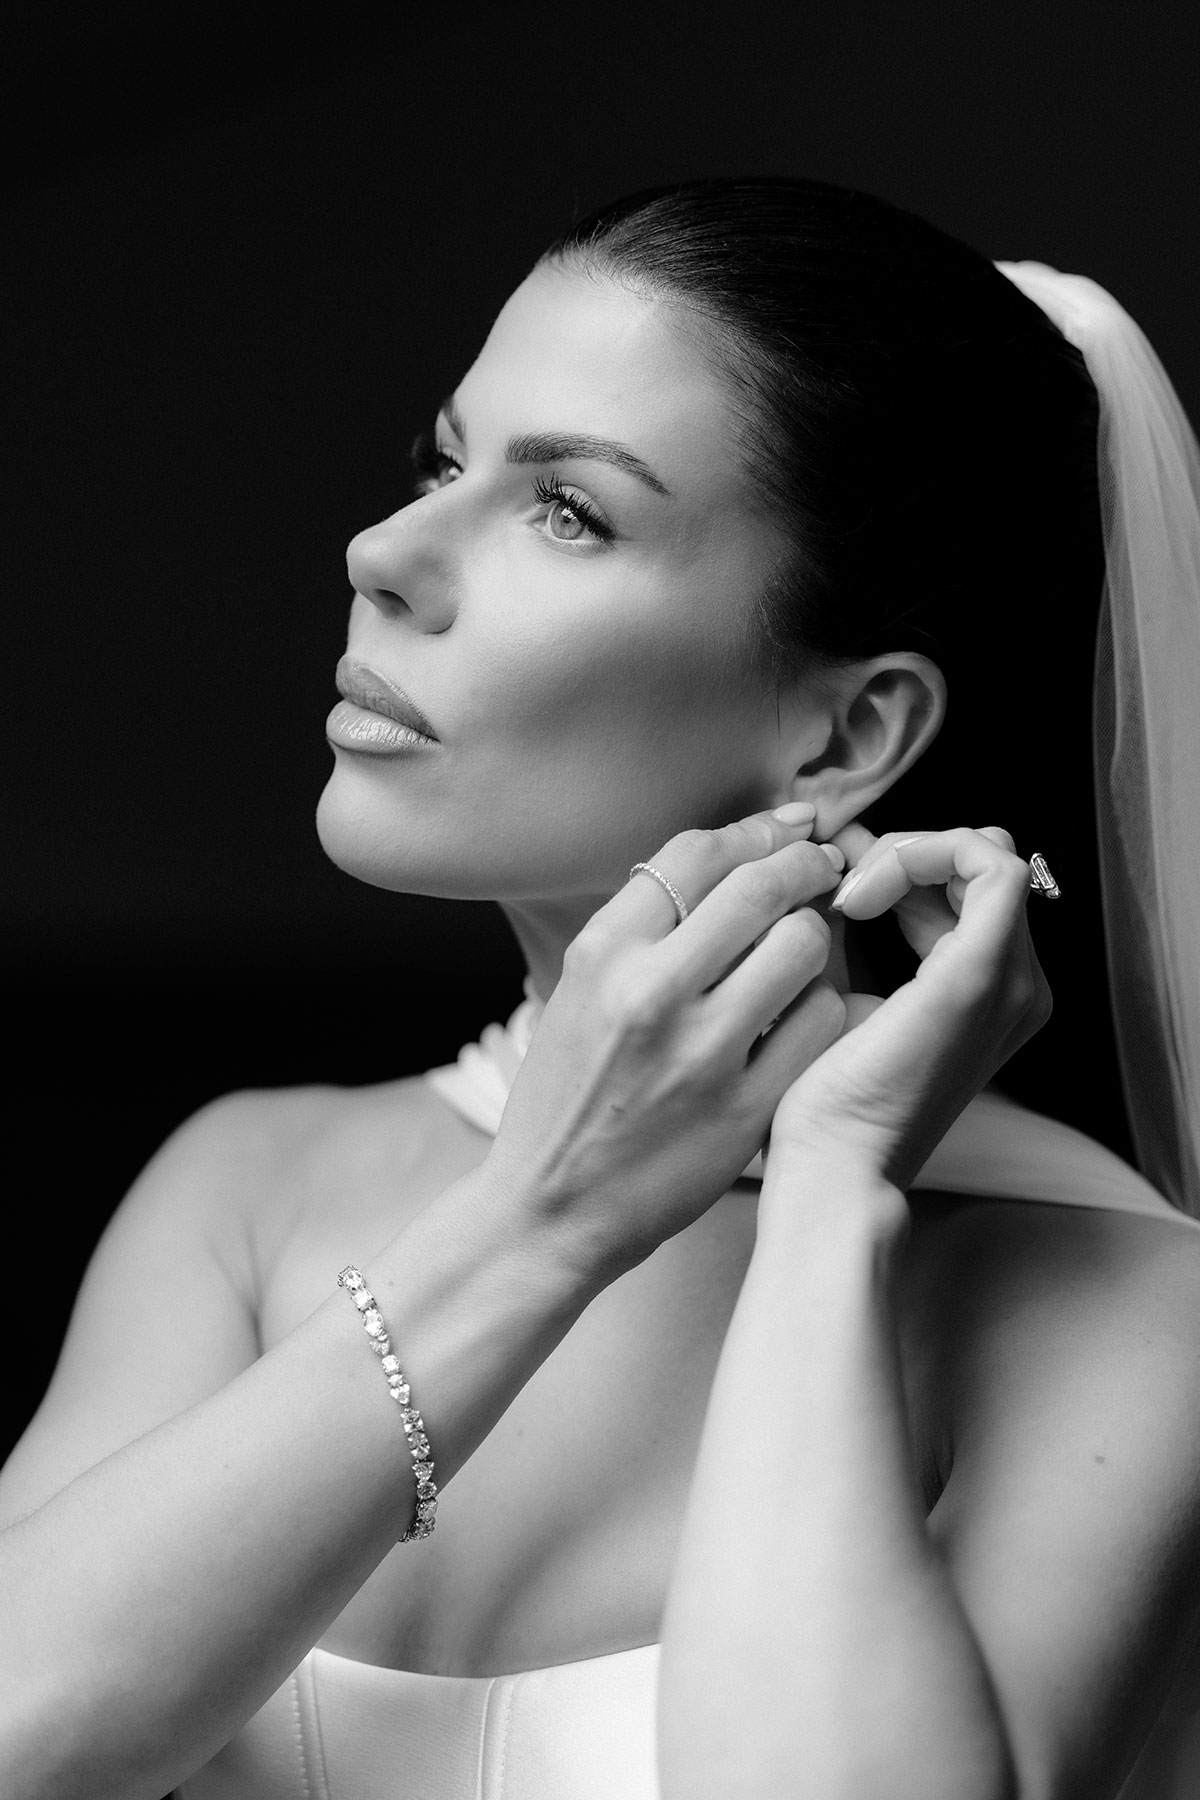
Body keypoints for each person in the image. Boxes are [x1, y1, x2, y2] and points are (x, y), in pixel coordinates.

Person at [2, 177, 1199, 1800]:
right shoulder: (245, 1187)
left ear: (848, 740)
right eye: (445, 458)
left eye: (569, 510)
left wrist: (833, 1190)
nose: (382, 553)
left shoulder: (1126, 1312)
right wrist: (541, 1218)